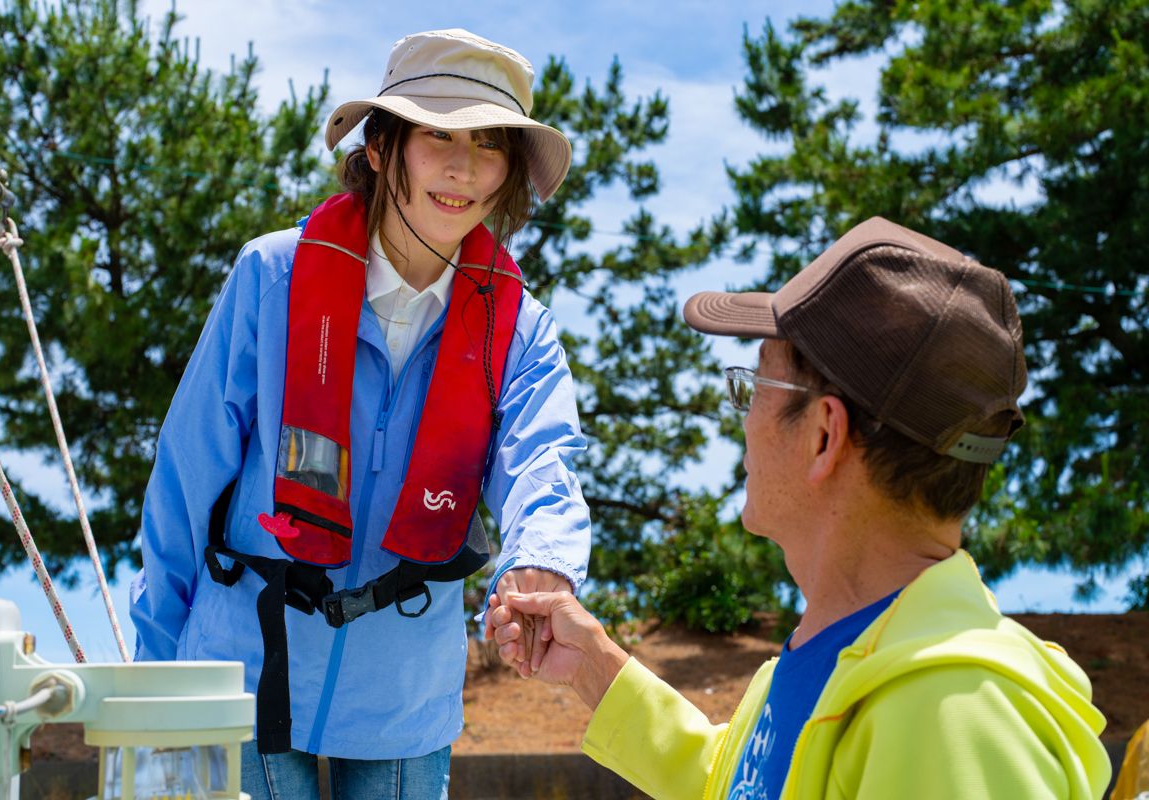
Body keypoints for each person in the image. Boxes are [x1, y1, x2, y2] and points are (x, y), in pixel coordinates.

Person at [490, 217, 1112, 799]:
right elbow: (736, 785)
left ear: (823, 435)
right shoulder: (838, 663)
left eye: (754, 384)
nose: (742, 418)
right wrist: (594, 668)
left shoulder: (953, 715)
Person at [130, 29, 591, 799]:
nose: (461, 167)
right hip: (241, 674)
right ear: (380, 148)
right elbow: (185, 478)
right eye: (436, 135)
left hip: (404, 699)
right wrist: (152, 686)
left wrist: (542, 561)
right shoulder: (270, 276)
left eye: (488, 145)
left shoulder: (522, 330)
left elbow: (543, 463)